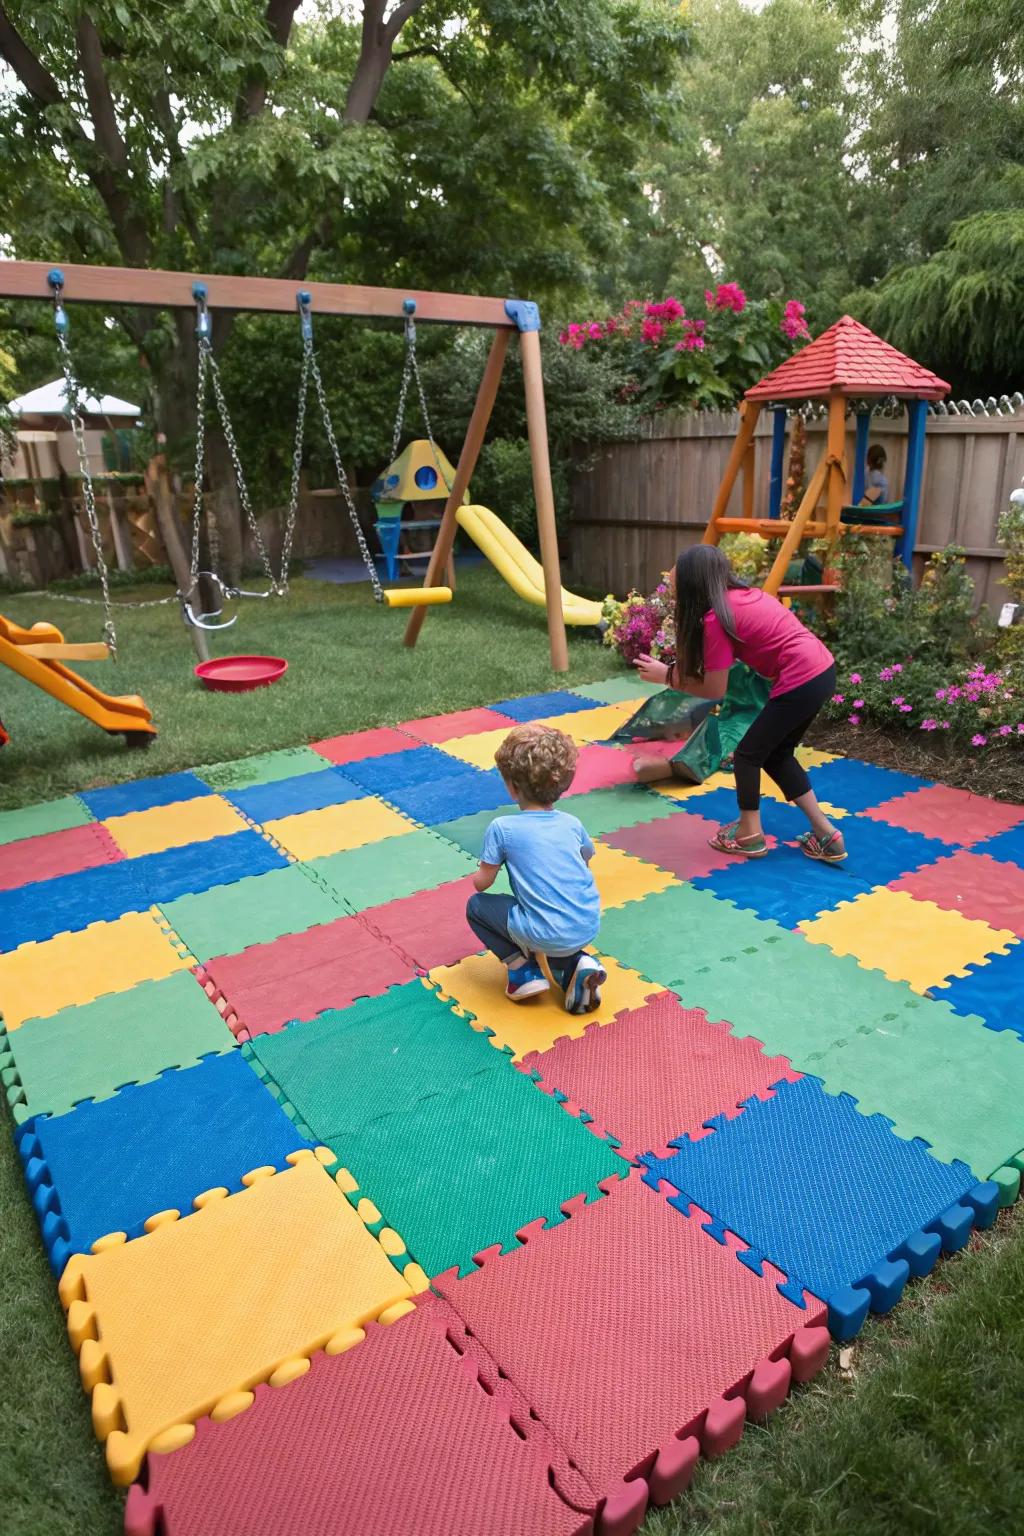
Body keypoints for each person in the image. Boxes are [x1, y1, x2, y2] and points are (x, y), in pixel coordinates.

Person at [634, 546, 845, 861]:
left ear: (693, 584)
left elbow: (714, 688)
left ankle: (749, 835)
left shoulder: (716, 619)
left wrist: (666, 675)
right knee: (776, 755)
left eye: (675, 581)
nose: (670, 583)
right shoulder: (744, 596)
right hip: (822, 671)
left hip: (801, 677)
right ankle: (827, 834)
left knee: (747, 754)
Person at [467, 723, 606, 1013]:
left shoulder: (502, 828)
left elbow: (482, 884)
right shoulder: (572, 824)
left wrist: (480, 870)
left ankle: (522, 971)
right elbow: (585, 861)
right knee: (548, 917)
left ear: (512, 787)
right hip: (587, 922)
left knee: (476, 907)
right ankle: (575, 964)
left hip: (543, 931)